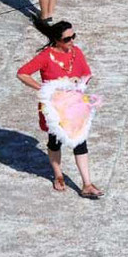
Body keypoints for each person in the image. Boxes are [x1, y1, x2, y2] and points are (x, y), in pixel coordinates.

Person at [17, 21, 104, 199]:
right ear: (56, 40)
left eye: (73, 36)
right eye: (67, 39)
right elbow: (22, 73)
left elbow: (86, 74)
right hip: (54, 107)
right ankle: (58, 175)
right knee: (54, 140)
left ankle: (87, 183)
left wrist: (78, 83)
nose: (72, 41)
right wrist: (43, 88)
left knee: (80, 140)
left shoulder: (76, 52)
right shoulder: (46, 56)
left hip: (73, 104)